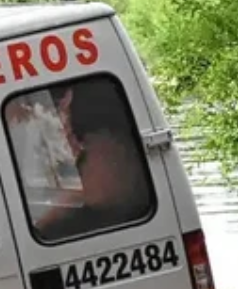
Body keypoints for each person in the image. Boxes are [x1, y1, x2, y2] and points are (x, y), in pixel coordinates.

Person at [35, 81, 152, 241]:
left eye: (64, 115)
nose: (64, 129)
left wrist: (45, 224)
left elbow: (100, 196)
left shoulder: (103, 151)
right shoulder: (108, 148)